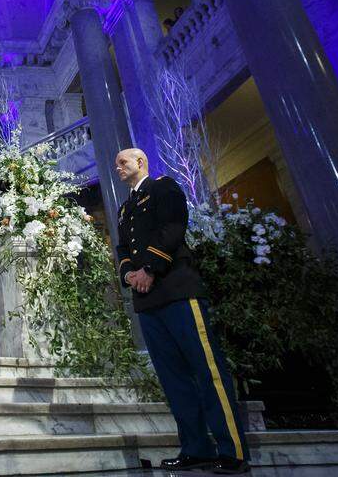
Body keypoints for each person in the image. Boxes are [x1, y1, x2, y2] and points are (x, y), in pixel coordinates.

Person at [114, 148, 249, 475]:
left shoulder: (163, 187)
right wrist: (129, 273)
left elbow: (173, 229)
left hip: (176, 288)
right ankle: (196, 448)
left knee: (207, 370)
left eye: (123, 162)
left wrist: (149, 268)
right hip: (147, 300)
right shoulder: (124, 208)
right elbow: (123, 247)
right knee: (173, 379)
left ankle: (232, 450)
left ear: (140, 162)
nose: (118, 167)